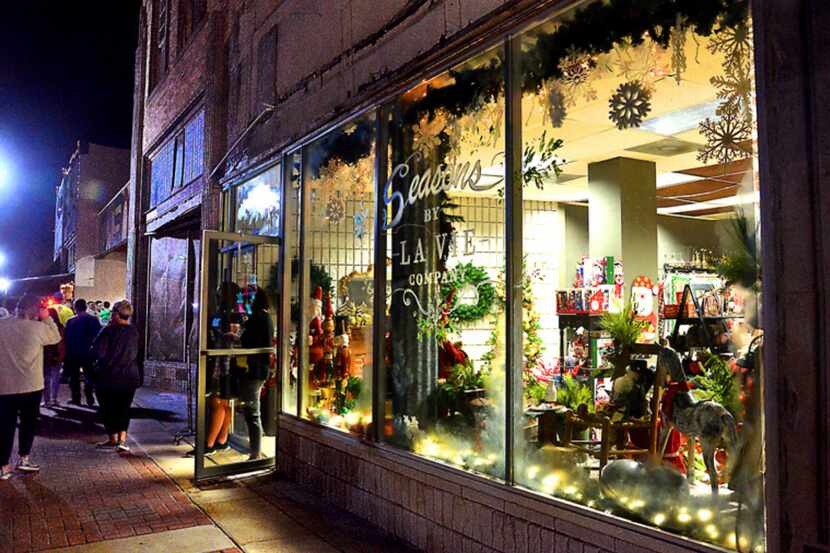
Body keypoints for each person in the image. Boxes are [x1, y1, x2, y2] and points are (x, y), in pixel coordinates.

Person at [0, 295, 62, 479]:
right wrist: (47, 317)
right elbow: (56, 337)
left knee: (5, 425)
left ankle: (3, 465)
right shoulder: (38, 328)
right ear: (35, 310)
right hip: (31, 385)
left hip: (5, 385)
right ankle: (24, 459)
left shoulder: (2, 325)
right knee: (28, 423)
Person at [186, 282, 240, 457]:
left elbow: (215, 333)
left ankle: (209, 444)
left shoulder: (223, 315)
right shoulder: (238, 314)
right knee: (225, 402)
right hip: (231, 365)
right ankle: (222, 439)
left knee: (217, 402)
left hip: (220, 365)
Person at [90, 300, 141, 452]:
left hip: (109, 376)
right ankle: (122, 440)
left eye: (113, 312)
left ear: (117, 314)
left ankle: (112, 438)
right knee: (124, 408)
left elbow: (97, 351)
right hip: (129, 376)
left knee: (108, 408)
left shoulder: (108, 331)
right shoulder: (134, 331)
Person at [238, 289, 274, 460]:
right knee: (253, 410)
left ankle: (255, 454)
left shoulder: (256, 318)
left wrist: (239, 333)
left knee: (252, 412)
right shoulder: (266, 317)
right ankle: (255, 451)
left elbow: (246, 341)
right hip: (261, 369)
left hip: (254, 369)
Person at [64, 299, 102, 406]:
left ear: (75, 308)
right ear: (85, 307)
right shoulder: (93, 320)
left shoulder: (71, 321)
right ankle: (89, 398)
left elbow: (66, 338)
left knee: (74, 377)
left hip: (73, 353)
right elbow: (98, 337)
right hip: (88, 352)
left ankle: (76, 398)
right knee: (89, 375)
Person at [42, 307, 65, 407]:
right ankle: (54, 398)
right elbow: (62, 342)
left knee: (46, 379)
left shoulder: (42, 326)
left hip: (45, 355)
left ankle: (47, 401)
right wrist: (61, 355)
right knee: (55, 378)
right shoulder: (60, 326)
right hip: (56, 355)